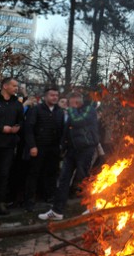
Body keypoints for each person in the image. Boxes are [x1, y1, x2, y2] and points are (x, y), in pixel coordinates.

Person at [39, 92, 99, 221]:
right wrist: (63, 147)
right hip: (71, 150)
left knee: (84, 179)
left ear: (77, 102)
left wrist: (71, 110)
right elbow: (67, 131)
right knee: (63, 179)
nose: (67, 106)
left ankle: (92, 206)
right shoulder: (72, 113)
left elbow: (78, 122)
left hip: (85, 149)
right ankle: (57, 211)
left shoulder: (89, 109)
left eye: (70, 103)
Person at [22, 87, 65, 212]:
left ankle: (49, 197)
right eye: (52, 95)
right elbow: (29, 129)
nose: (55, 97)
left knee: (51, 173)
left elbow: (62, 129)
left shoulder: (59, 111)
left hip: (53, 148)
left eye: (56, 95)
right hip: (38, 146)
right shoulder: (36, 110)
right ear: (45, 97)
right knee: (33, 174)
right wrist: (32, 146)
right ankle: (29, 201)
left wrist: (61, 145)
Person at [0, 78, 25, 215]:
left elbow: (21, 119)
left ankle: (0, 203)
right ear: (5, 86)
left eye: (17, 86)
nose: (16, 88)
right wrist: (2, 128)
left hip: (8, 146)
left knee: (4, 174)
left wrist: (17, 127)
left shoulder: (17, 103)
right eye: (14, 85)